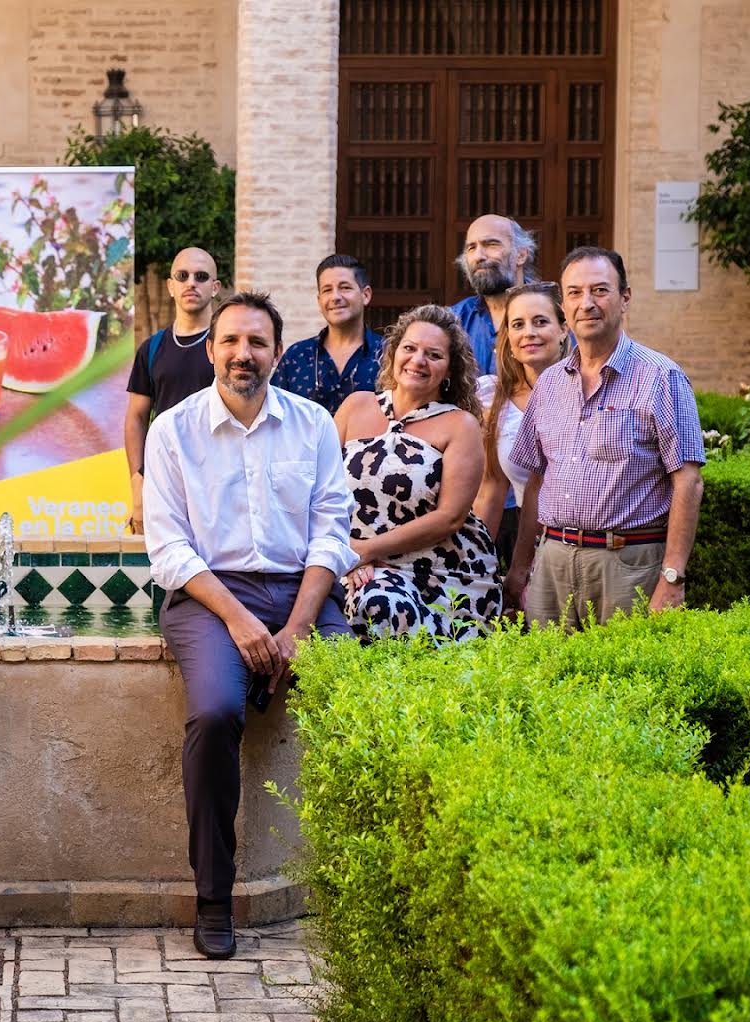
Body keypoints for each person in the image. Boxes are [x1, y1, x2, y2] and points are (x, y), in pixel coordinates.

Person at [142, 291, 355, 959]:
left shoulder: (313, 424)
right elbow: (169, 550)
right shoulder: (172, 429)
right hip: (208, 595)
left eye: (256, 342)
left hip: (301, 593)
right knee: (213, 712)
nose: (243, 354)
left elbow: (332, 531)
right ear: (210, 350)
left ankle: (353, 879)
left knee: (352, 698)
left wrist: (296, 626)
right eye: (230, 341)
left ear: (277, 354)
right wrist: (240, 623)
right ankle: (214, 895)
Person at [507, 247, 705, 627]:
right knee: (546, 679)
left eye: (600, 290)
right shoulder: (548, 384)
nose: (587, 303)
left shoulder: (662, 378)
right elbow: (536, 481)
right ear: (563, 305)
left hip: (629, 567)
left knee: (624, 682)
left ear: (624, 298)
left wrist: (673, 577)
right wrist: (520, 567)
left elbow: (689, 483)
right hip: (552, 563)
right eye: (575, 293)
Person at [334, 305, 502, 639]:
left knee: (377, 601)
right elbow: (320, 489)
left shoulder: (460, 425)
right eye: (409, 348)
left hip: (436, 570)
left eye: (433, 354)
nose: (418, 360)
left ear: (450, 368)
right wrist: (348, 554)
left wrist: (366, 551)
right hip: (350, 555)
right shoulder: (356, 406)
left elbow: (450, 518)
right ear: (394, 352)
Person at [123, 247, 221, 533]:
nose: (191, 282)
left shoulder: (227, 347)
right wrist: (137, 479)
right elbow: (136, 418)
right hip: (163, 481)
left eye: (201, 276)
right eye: (182, 276)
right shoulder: (151, 349)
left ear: (215, 287)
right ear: (171, 286)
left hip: (218, 484)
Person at [471, 282, 568, 563]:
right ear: (509, 339)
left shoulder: (589, 392)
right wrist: (476, 564)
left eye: (540, 322)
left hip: (587, 546)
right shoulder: (492, 399)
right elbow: (491, 489)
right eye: (518, 324)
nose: (529, 333)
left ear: (564, 329)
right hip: (529, 548)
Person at [274, 253, 384, 414]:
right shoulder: (296, 357)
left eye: (345, 287)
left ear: (365, 295)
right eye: (327, 290)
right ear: (319, 300)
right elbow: (275, 412)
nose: (335, 297)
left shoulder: (388, 355)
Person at [450, 214, 538, 374]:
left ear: (521, 255)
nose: (479, 256)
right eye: (471, 248)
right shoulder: (453, 320)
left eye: (491, 244)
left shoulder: (552, 316)